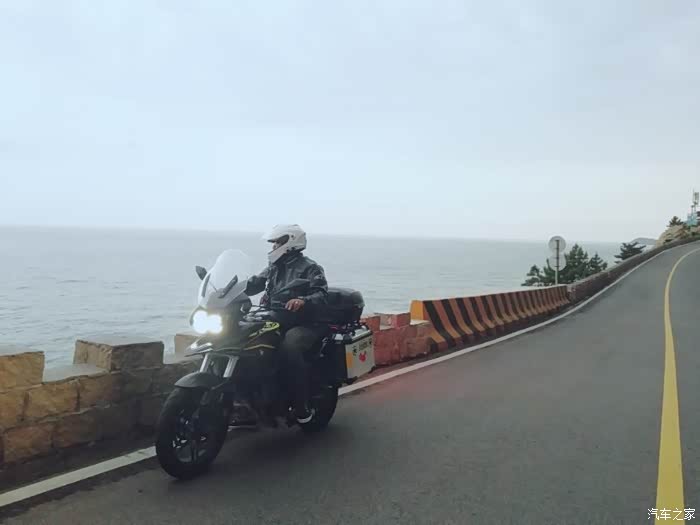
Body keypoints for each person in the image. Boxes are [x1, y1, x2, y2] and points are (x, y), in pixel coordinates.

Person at [245, 224, 328, 423]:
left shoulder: (310, 267)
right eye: (273, 242)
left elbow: (321, 293)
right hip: (276, 318)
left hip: (305, 323)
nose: (274, 246)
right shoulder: (274, 266)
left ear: (291, 242)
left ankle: (301, 404)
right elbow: (254, 284)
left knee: (290, 346)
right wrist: (226, 290)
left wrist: (303, 300)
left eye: (277, 242)